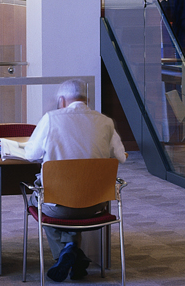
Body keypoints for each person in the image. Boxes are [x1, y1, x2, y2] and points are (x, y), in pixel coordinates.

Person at [22, 82, 126, 283]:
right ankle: (73, 252)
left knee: (38, 200)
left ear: (61, 101)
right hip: (97, 204)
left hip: (57, 206)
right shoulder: (105, 122)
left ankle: (67, 251)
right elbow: (121, 157)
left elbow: (30, 154)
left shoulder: (51, 119)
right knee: (74, 196)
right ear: (86, 100)